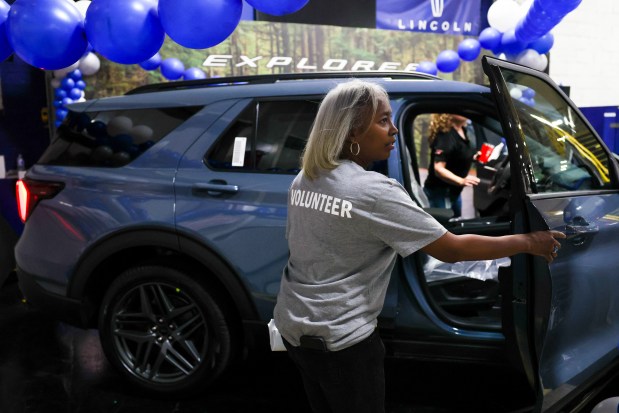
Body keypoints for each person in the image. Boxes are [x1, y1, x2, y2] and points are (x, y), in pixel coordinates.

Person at [273, 79, 564, 413]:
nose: (394, 130)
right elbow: (451, 249)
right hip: (344, 339)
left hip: (295, 326)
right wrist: (528, 241)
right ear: (352, 132)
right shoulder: (374, 191)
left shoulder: (305, 178)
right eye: (383, 120)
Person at [423, 113, 480, 218]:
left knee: (455, 222)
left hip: (454, 190)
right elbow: (438, 168)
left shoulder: (463, 130)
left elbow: (457, 154)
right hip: (440, 191)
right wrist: (461, 181)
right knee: (445, 226)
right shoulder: (446, 135)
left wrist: (474, 157)